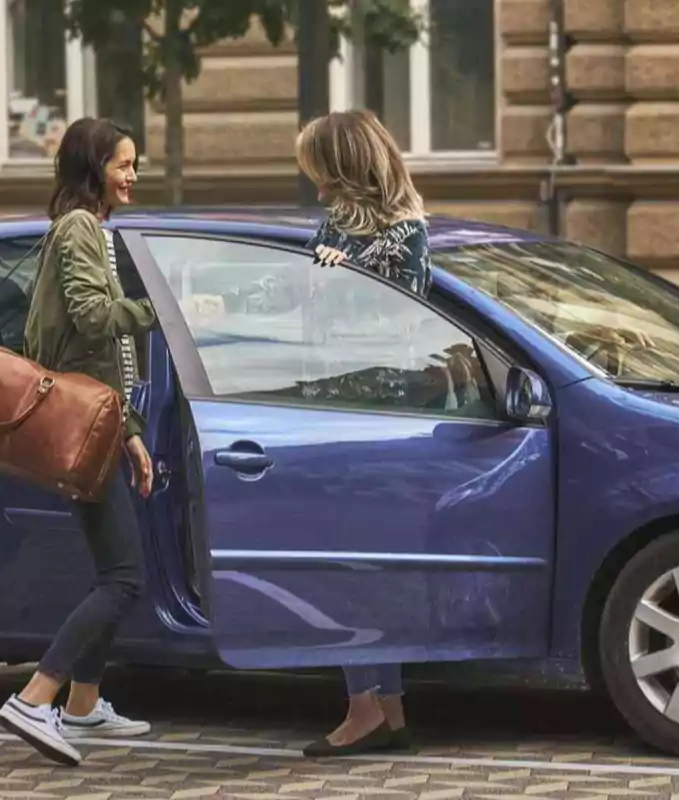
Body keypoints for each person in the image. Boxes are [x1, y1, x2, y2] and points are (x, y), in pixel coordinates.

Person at [0, 117, 157, 767]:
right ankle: (36, 698)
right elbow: (94, 319)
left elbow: (104, 356)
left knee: (111, 572)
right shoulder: (80, 230)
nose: (133, 175)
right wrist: (164, 311)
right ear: (94, 167)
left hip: (98, 423)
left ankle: (84, 706)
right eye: (124, 164)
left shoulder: (91, 229)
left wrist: (133, 435)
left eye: (136, 164)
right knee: (123, 578)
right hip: (81, 426)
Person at [294, 109, 430, 758]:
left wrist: (334, 278)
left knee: (351, 570)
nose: (316, 188)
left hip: (365, 420)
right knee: (367, 567)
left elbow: (395, 324)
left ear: (347, 169)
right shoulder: (345, 227)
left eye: (321, 173)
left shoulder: (400, 236)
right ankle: (389, 705)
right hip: (351, 415)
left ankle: (363, 710)